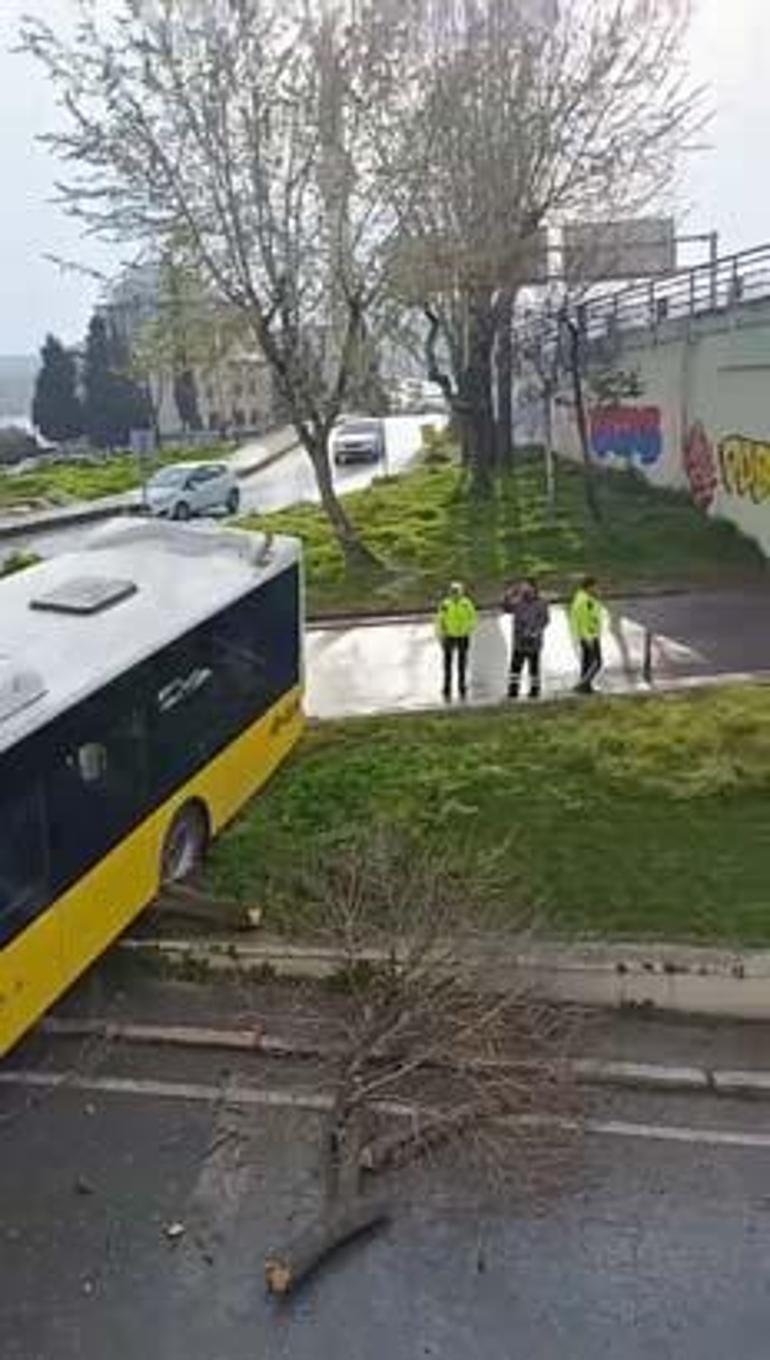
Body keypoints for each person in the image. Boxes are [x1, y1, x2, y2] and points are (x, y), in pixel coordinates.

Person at [502, 578, 550, 699]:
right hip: (519, 641)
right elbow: (506, 608)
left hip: (534, 640)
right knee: (515, 668)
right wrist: (508, 595)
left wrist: (536, 631)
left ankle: (535, 690)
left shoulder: (541, 603)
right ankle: (513, 691)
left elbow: (545, 620)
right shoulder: (518, 601)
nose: (524, 589)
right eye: (523, 586)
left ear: (533, 588)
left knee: (534, 668)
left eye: (526, 586)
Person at [435, 581, 478, 701]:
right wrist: (441, 634)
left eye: (457, 591)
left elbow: (473, 617)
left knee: (462, 663)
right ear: (450, 592)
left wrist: (468, 629)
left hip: (463, 636)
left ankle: (462, 685)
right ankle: (447, 686)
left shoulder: (466, 603)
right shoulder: (445, 604)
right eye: (453, 591)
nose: (455, 593)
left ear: (461, 591)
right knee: (447, 663)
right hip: (449, 636)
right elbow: (440, 620)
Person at [570, 575, 604, 693]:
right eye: (595, 586)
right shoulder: (585, 600)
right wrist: (588, 637)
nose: (597, 588)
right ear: (589, 587)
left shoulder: (583, 597)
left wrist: (596, 598)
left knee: (588, 662)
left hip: (587, 635)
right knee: (597, 662)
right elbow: (583, 620)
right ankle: (581, 685)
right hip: (590, 636)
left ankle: (586, 686)